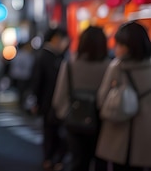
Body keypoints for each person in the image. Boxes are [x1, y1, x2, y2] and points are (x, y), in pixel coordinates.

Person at [52, 25, 110, 171]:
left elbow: (59, 96)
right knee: (101, 163)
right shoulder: (110, 66)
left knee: (78, 161)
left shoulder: (70, 64)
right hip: (102, 122)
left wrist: (65, 114)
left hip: (75, 120)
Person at [95, 21, 151, 171]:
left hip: (118, 131)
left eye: (119, 44)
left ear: (129, 47)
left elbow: (102, 99)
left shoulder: (117, 67)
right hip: (146, 133)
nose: (115, 48)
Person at [30, 26, 70, 171]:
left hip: (49, 101)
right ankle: (51, 158)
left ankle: (51, 158)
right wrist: (36, 101)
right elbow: (37, 81)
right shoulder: (47, 56)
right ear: (56, 39)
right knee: (52, 131)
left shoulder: (51, 55)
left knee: (51, 131)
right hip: (49, 101)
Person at [8, 40, 35, 112]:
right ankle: (22, 107)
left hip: (16, 76)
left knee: (19, 93)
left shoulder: (17, 54)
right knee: (24, 93)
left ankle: (19, 106)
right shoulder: (27, 55)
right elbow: (29, 67)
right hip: (24, 77)